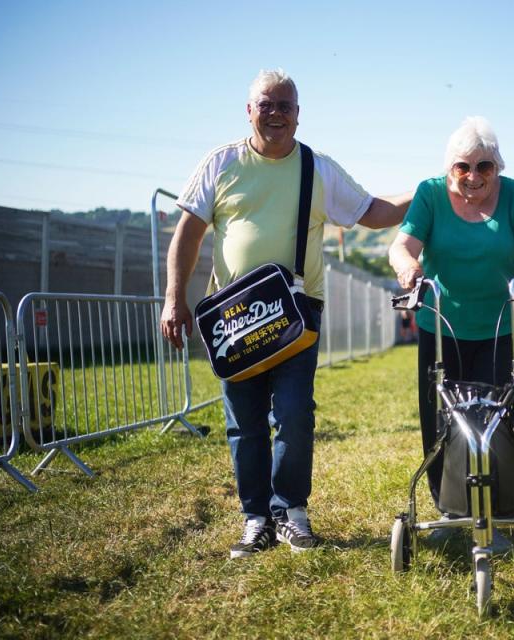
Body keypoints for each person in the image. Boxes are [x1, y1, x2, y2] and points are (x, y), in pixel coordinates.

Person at [160, 69, 411, 559]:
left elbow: (373, 211)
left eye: (286, 106)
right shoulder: (221, 163)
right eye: (266, 105)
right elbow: (187, 234)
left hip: (297, 313)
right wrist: (174, 298)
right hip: (234, 318)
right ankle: (256, 519)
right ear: (249, 110)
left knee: (294, 415)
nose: (276, 114)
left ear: (299, 114)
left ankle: (291, 512)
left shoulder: (317, 168)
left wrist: (428, 192)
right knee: (244, 422)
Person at [388, 116, 514, 553]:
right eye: (463, 167)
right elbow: (402, 244)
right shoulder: (429, 194)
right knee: (441, 418)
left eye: (485, 167)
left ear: (497, 168)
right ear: (449, 168)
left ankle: (494, 514)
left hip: (501, 323)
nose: (473, 176)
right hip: (441, 323)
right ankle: (448, 508)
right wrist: (409, 268)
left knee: (495, 420)